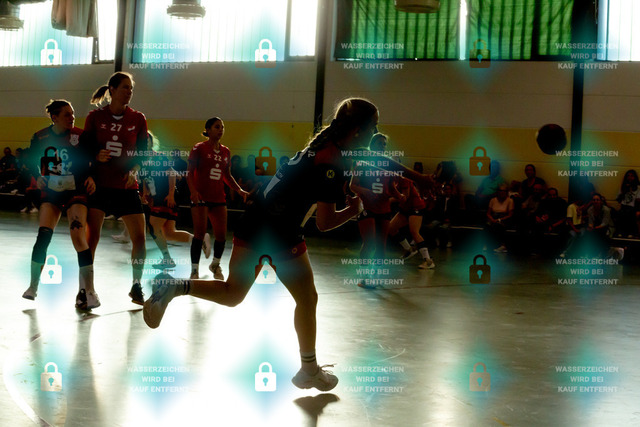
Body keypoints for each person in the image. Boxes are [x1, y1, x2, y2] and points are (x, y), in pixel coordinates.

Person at [142, 98, 433, 391]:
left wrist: (417, 177)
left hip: (255, 218)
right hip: (280, 230)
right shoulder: (332, 162)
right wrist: (354, 210)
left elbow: (377, 159)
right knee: (307, 298)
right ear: (358, 130)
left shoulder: (327, 146)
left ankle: (175, 287)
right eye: (374, 126)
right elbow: (325, 222)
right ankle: (309, 369)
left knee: (233, 294)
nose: (376, 132)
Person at [22, 99, 99, 310]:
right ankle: (33, 286)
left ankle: (90, 291)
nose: (72, 118)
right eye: (67, 114)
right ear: (54, 117)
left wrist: (92, 176)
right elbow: (30, 161)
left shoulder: (81, 136)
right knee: (43, 236)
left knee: (78, 236)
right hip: (52, 192)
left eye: (73, 114)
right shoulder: (40, 137)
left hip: (76, 191)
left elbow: (94, 160)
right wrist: (37, 176)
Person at [81, 71, 149, 305]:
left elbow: (143, 153)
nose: (129, 91)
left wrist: (134, 170)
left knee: (140, 239)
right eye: (125, 87)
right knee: (92, 239)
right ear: (112, 89)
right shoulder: (95, 117)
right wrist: (95, 156)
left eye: (131, 88)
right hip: (100, 186)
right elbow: (84, 149)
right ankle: (86, 289)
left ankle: (136, 285)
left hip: (126, 186)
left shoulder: (138, 118)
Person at [187, 117, 249, 280]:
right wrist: (193, 191)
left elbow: (226, 175)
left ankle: (215, 265)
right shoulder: (199, 148)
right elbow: (189, 172)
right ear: (207, 130)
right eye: (216, 127)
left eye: (222, 127)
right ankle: (194, 270)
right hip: (201, 197)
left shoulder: (226, 151)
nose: (220, 130)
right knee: (199, 234)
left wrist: (239, 190)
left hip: (218, 198)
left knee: (221, 236)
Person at [349, 133, 403, 286]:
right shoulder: (362, 164)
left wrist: (399, 196)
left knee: (381, 245)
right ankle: (364, 276)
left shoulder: (388, 165)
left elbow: (391, 187)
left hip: (384, 208)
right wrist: (365, 191)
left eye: (384, 144)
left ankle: (376, 275)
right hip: (367, 207)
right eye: (380, 143)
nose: (383, 146)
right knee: (370, 242)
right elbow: (352, 186)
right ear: (372, 145)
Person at [142, 133, 194, 269]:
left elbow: (171, 174)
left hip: (166, 196)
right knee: (169, 233)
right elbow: (146, 179)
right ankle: (198, 241)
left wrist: (170, 195)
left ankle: (167, 259)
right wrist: (146, 195)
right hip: (157, 197)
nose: (145, 142)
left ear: (151, 142)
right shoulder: (140, 161)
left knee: (153, 227)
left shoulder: (159, 157)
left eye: (147, 140)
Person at [388, 176, 435, 269]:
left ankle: (428, 261)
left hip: (415, 207)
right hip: (405, 208)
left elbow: (405, 197)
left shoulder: (403, 179)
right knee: (391, 228)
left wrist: (389, 200)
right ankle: (409, 250)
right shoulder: (391, 179)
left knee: (414, 232)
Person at [485, 183, 514, 252]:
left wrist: (499, 219)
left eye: (504, 191)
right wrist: (492, 219)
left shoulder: (510, 201)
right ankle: (487, 244)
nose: (502, 193)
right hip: (493, 217)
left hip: (504, 218)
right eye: (500, 191)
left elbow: (510, 215)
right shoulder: (493, 200)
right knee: (487, 225)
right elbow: (488, 213)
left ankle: (502, 245)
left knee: (497, 226)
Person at [615, 169, 640, 237]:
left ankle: (631, 233)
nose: (630, 177)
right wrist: (625, 191)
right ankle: (621, 232)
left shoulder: (638, 188)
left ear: (634, 177)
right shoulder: (623, 187)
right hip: (623, 206)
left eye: (632, 176)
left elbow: (638, 201)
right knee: (621, 213)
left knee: (630, 214)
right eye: (628, 176)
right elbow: (618, 200)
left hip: (633, 207)